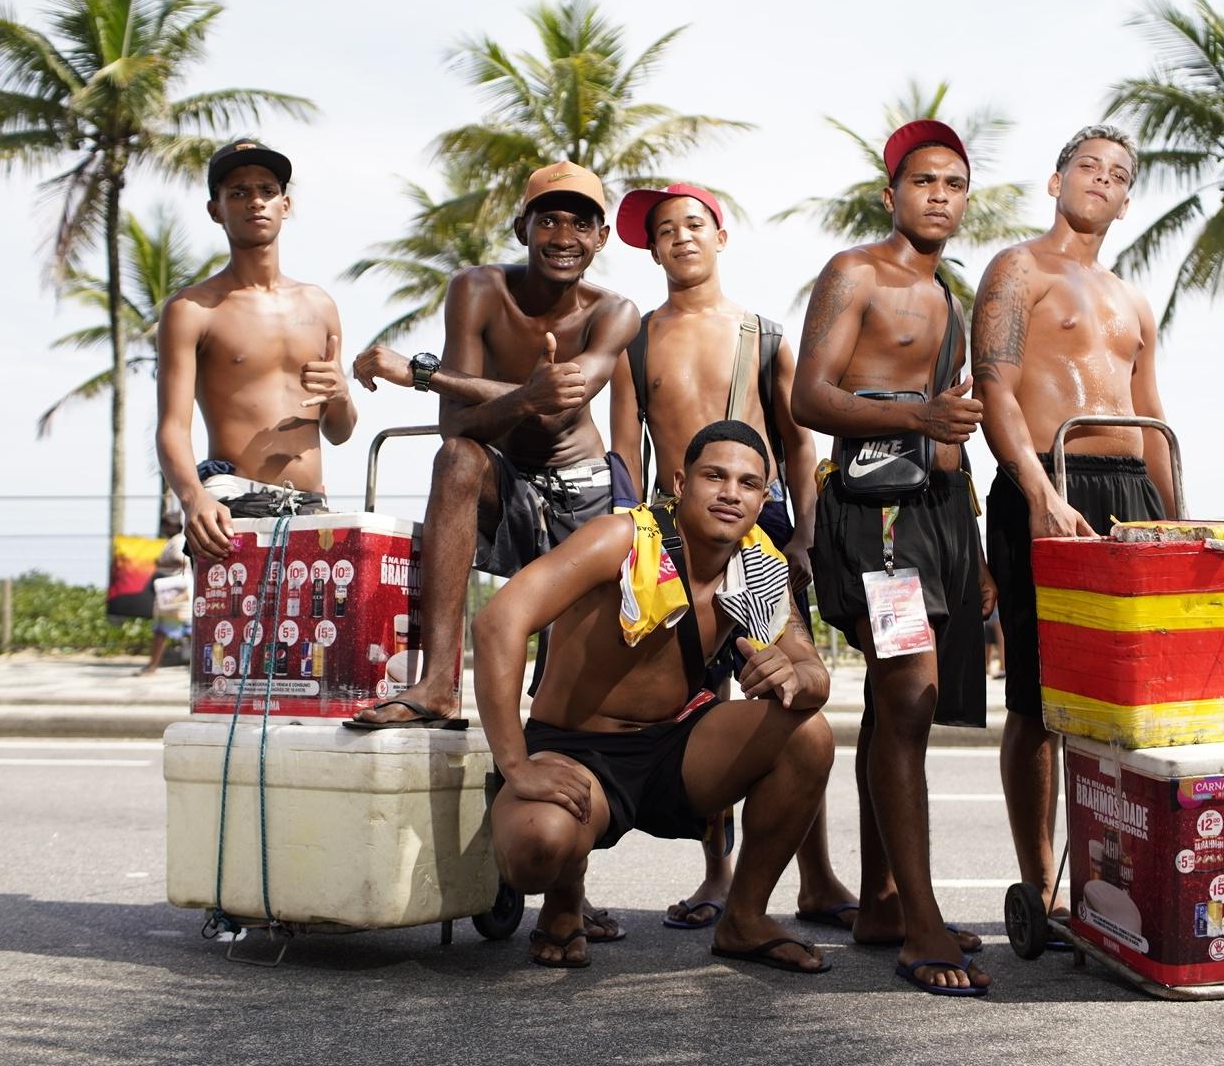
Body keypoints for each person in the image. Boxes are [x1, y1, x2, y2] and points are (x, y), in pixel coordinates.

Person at [347, 162, 639, 940]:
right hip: (501, 473)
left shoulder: (618, 311)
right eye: (549, 220)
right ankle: (440, 681)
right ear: (523, 228)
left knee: (563, 701)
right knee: (453, 463)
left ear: (603, 238)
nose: (564, 236)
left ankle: (562, 877)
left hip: (583, 492)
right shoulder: (476, 289)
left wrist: (416, 371)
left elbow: (567, 397)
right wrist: (498, 394)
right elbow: (460, 426)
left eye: (581, 223)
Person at [474, 421, 835, 973]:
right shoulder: (621, 539)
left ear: (764, 498)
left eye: (748, 482)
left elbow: (813, 671)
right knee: (535, 846)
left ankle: (744, 918)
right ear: (680, 482)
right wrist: (515, 763)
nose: (730, 493)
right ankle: (564, 900)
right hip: (577, 752)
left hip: (675, 751)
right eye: (714, 475)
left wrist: (794, 674)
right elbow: (499, 622)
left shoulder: (761, 566)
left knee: (808, 734)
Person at [607, 183, 856, 932]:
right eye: (664, 231)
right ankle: (717, 873)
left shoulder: (765, 335)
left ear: (720, 236)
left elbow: (801, 441)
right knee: (704, 704)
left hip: (760, 531)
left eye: (693, 225)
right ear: (652, 251)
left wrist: (804, 533)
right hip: (671, 536)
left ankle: (816, 877)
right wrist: (632, 541)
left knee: (789, 694)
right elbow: (625, 453)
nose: (680, 238)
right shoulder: (638, 341)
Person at [791, 120, 994, 997]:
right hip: (874, 515)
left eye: (954, 183)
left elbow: (957, 424)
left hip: (942, 515)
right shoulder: (856, 273)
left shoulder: (951, 295)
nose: (940, 195)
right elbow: (809, 395)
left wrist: (974, 540)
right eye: (924, 182)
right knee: (906, 695)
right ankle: (920, 924)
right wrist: (915, 419)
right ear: (892, 194)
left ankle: (880, 900)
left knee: (896, 700)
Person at [971, 124, 1176, 928]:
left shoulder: (1132, 300)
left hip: (1133, 489)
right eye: (1087, 166)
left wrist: (1179, 521)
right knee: (1038, 698)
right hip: (1048, 481)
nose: (1101, 179)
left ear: (1127, 202)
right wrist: (1037, 491)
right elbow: (995, 388)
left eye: (1117, 174)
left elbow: (1151, 411)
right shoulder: (1017, 269)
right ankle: (1042, 885)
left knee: (1131, 696)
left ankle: (1112, 881)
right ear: (1054, 182)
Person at [157, 139, 357, 558]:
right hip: (230, 510)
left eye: (267, 190)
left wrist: (340, 395)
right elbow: (173, 427)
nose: (255, 202)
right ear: (216, 210)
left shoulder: (319, 306)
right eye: (238, 193)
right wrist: (194, 499)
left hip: (311, 509)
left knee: (318, 623)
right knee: (235, 627)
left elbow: (338, 431)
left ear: (286, 204)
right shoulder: (192, 309)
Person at [137, 510, 190, 676]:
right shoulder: (176, 540)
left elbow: (180, 560)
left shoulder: (178, 540)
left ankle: (152, 666)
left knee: (162, 630)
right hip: (178, 590)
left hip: (175, 591)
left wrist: (160, 562)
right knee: (189, 630)